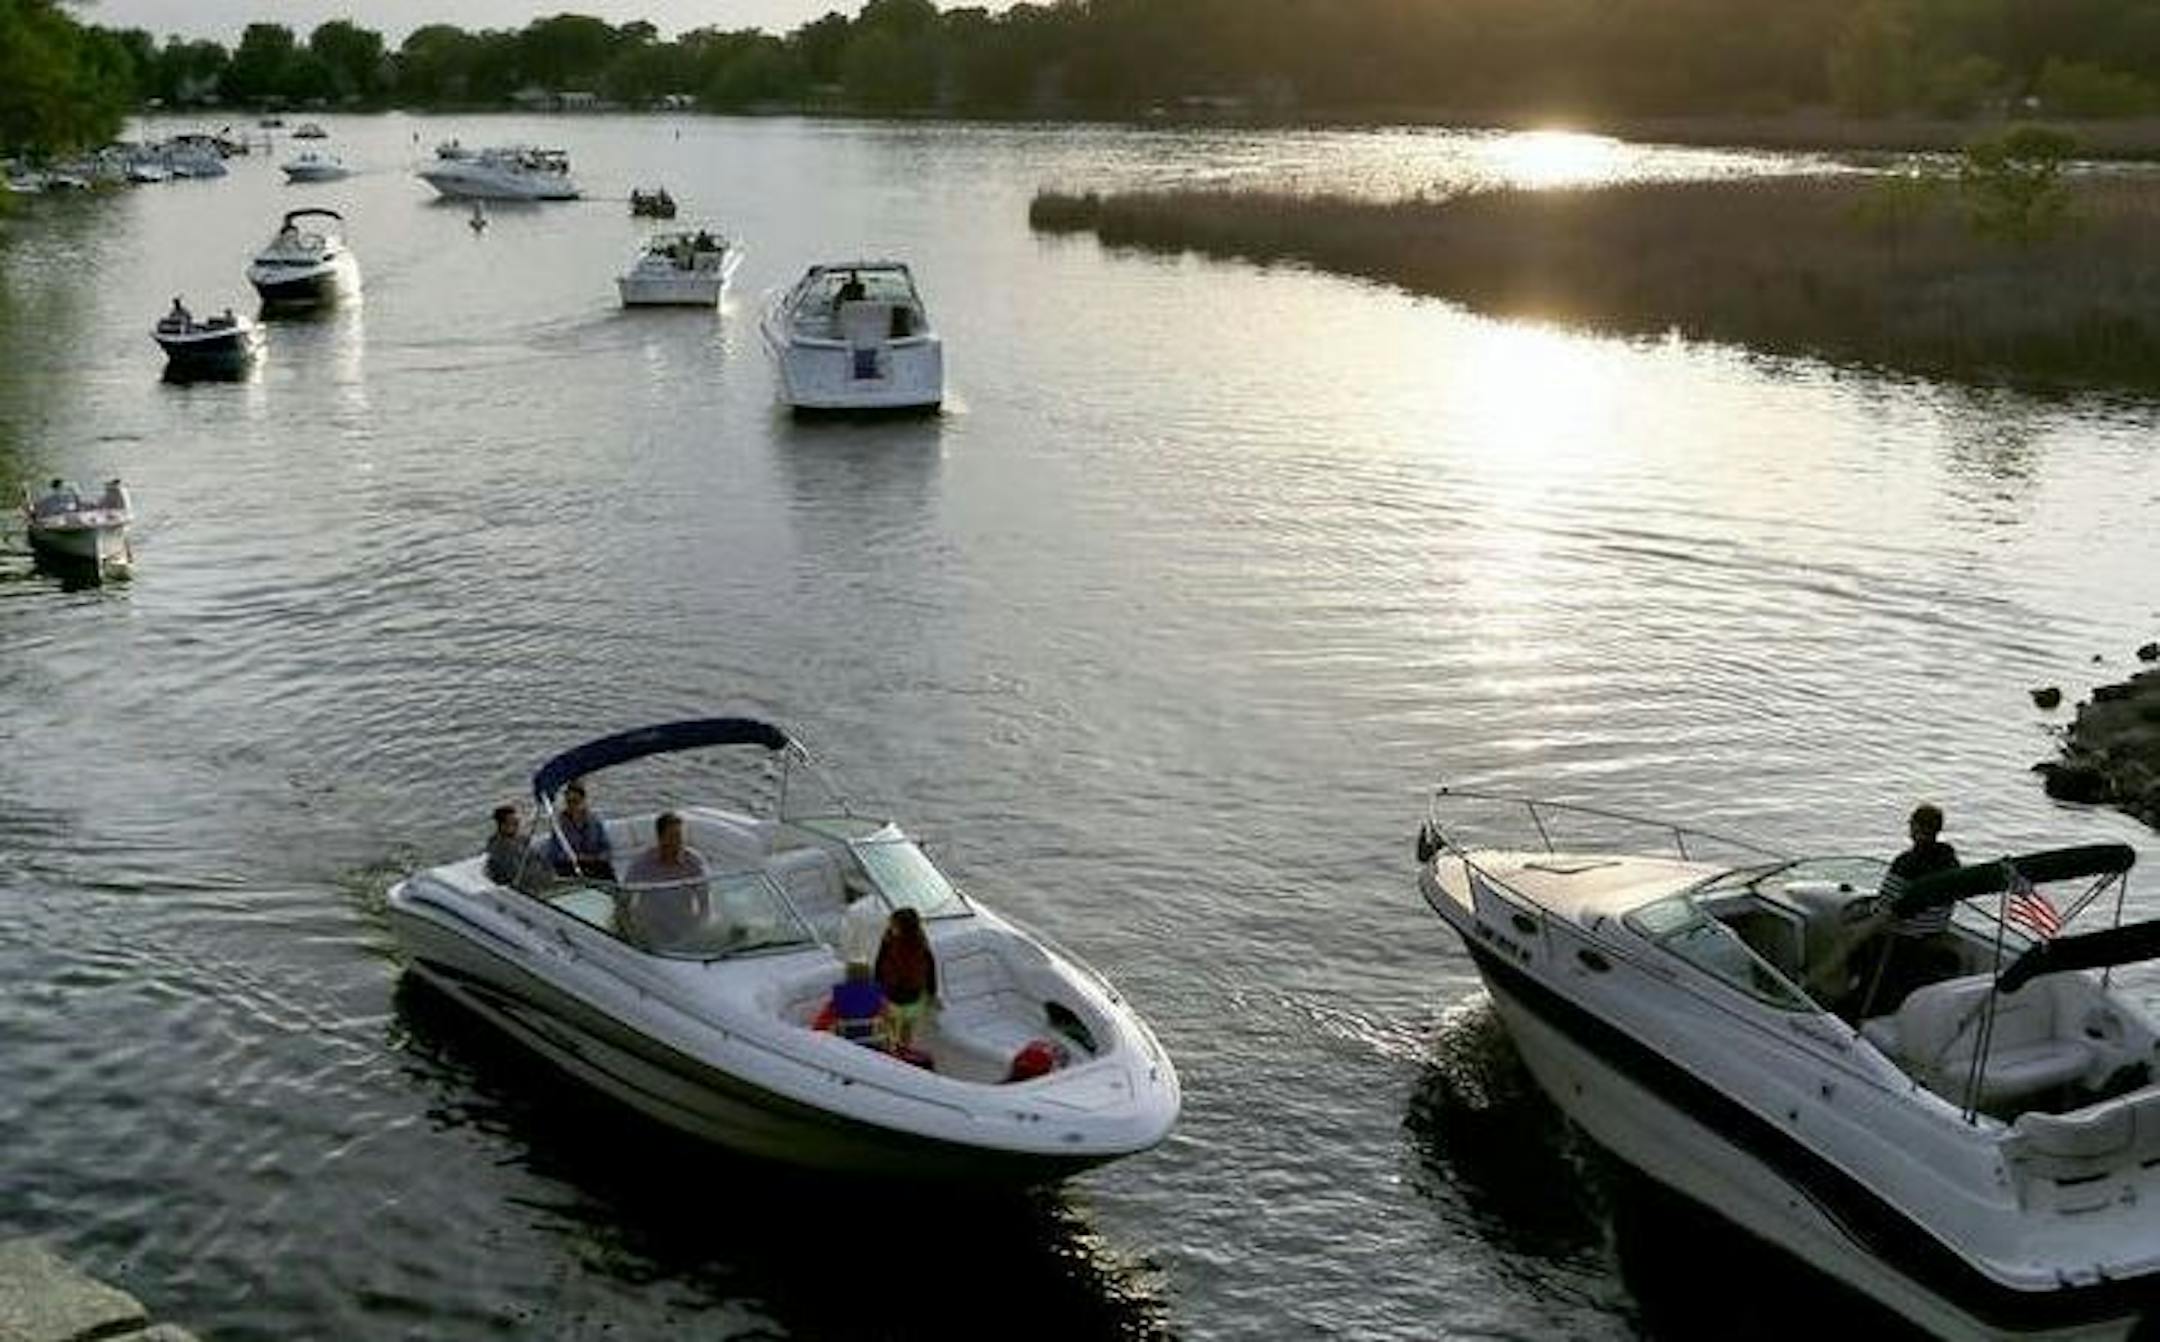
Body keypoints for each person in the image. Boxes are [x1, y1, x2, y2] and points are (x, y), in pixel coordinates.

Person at [1858, 803, 1964, 1016]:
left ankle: (1859, 997)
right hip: (1935, 932)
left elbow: (1885, 908)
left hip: (1901, 938)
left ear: (1915, 827)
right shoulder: (1951, 863)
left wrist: (1867, 910)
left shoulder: (1905, 863)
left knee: (1856, 932)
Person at [622, 811, 709, 949]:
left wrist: (698, 930)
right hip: (650, 930)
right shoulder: (642, 864)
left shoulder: (695, 862)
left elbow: (705, 902)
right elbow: (625, 899)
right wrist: (631, 931)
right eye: (674, 837)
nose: (679, 842)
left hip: (684, 929)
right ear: (660, 838)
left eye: (681, 837)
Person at [874, 907, 938, 1046]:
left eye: (893, 924)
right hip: (910, 991)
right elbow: (930, 968)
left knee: (894, 1022)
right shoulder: (920, 942)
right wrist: (931, 991)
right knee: (905, 1024)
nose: (890, 926)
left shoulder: (890, 940)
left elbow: (880, 963)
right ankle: (903, 1046)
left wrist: (877, 985)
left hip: (896, 990)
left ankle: (895, 1046)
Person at [811, 961, 896, 1049]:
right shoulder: (876, 995)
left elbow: (822, 1022)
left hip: (849, 1045)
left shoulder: (840, 996)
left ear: (848, 976)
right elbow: (889, 1015)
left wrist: (814, 1033)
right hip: (874, 1044)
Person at [546, 779, 615, 880]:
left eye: (575, 802)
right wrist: (576, 857)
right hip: (570, 866)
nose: (572, 806)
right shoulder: (559, 826)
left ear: (583, 801)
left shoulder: (594, 822)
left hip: (594, 864)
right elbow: (553, 854)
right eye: (569, 802)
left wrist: (597, 857)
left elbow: (606, 848)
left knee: (606, 870)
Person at [484, 803, 525, 888]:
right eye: (514, 823)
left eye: (518, 822)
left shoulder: (521, 838)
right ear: (503, 826)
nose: (518, 826)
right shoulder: (498, 845)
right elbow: (510, 871)